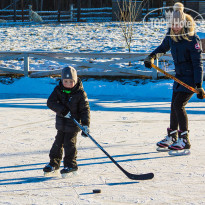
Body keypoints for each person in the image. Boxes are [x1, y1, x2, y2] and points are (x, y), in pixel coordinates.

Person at [144, 2, 205, 154]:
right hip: (179, 77)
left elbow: (198, 64)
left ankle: (184, 139)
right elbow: (162, 48)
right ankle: (172, 136)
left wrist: (199, 84)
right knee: (173, 106)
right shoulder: (171, 36)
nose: (175, 27)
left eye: (178, 24)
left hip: (191, 79)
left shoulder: (193, 40)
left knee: (179, 105)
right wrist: (151, 56)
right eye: (173, 24)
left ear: (183, 24)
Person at [43, 66, 90, 175]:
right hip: (61, 124)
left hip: (73, 125)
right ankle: (53, 163)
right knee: (57, 144)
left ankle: (71, 165)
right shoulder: (58, 90)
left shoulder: (80, 93)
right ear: (62, 80)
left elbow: (85, 110)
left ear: (76, 80)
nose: (68, 84)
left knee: (69, 145)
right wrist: (62, 110)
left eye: (71, 81)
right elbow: (50, 102)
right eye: (66, 81)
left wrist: (86, 125)